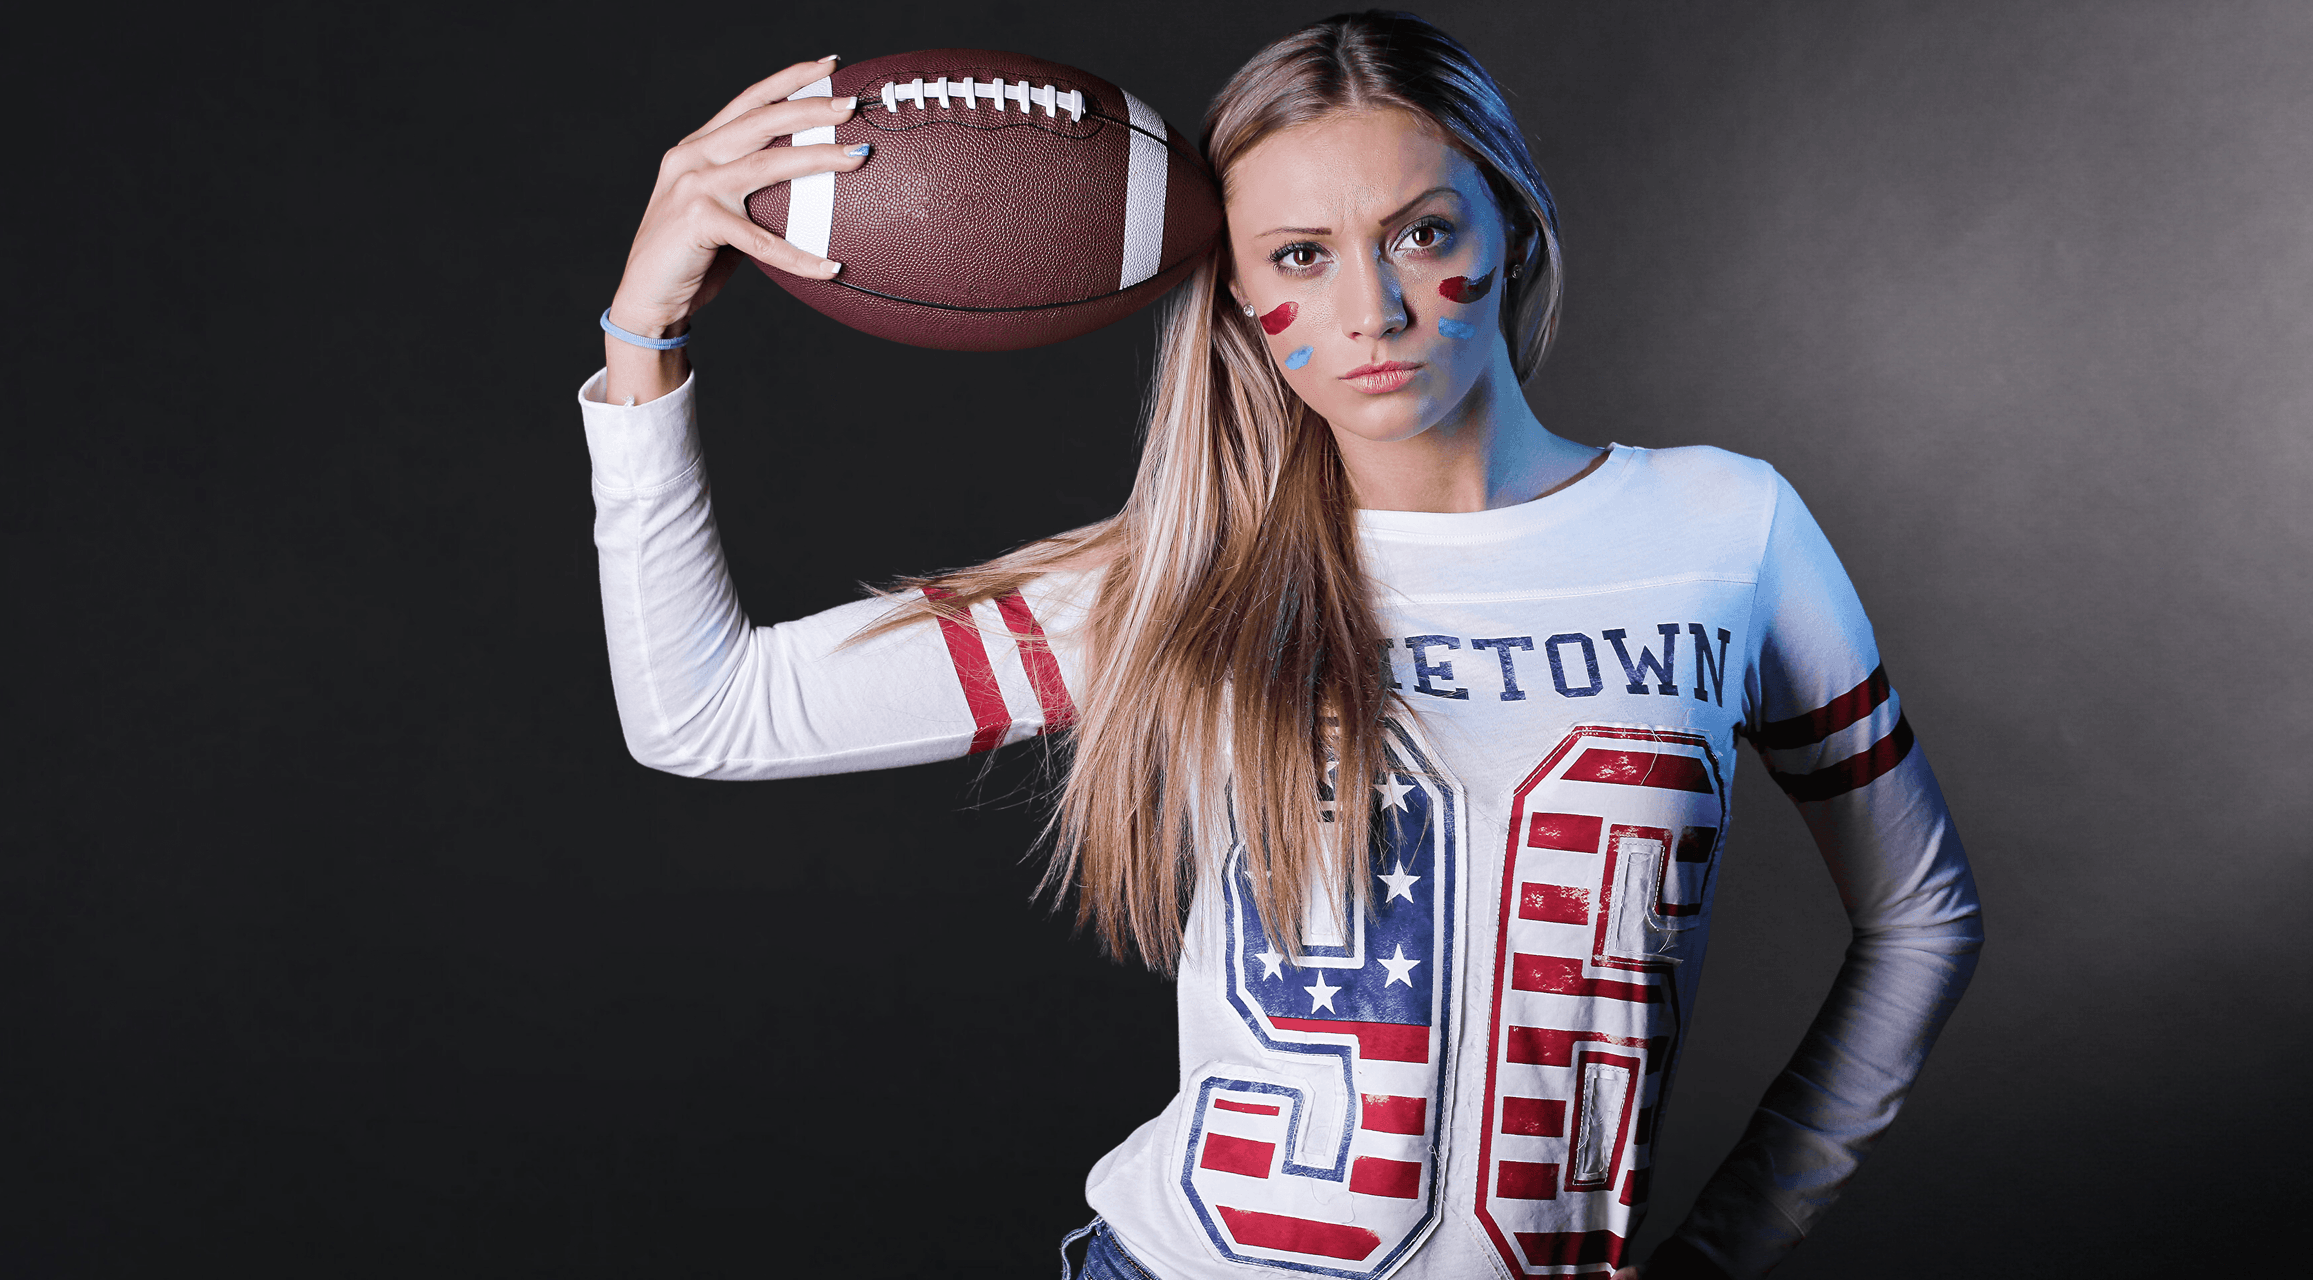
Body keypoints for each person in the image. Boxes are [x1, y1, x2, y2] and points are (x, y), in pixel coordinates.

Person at [579, 12, 1980, 1278]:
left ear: (1513, 232)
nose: (1371, 307)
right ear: (1244, 299)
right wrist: (641, 336)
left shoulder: (1723, 529)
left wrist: (1727, 1249)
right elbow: (708, 713)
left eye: (1423, 233)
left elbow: (1922, 917)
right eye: (1301, 256)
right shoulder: (1185, 584)